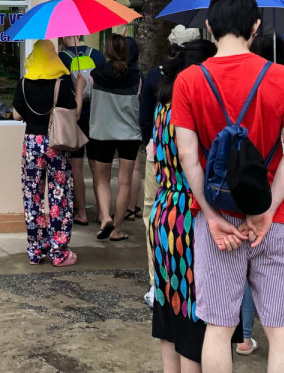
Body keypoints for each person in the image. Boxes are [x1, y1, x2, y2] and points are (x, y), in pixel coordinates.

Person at [171, 0, 284, 373]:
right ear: (255, 26)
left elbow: (187, 155)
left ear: (210, 26)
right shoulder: (282, 77)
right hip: (275, 219)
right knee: (280, 331)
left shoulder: (189, 80)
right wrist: (266, 211)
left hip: (219, 222)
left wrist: (212, 215)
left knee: (218, 327)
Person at [149, 37, 218, 371]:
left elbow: (156, 156)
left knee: (168, 305)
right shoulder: (193, 109)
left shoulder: (163, 107)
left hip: (163, 211)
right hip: (190, 215)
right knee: (193, 310)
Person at [232, 32, 284, 356]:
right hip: (277, 202)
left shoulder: (238, 89)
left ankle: (243, 335)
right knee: (277, 301)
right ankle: (260, 332)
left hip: (236, 194)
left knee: (239, 270)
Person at [140, 25, 202, 307]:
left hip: (159, 156)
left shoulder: (157, 76)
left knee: (152, 213)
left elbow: (144, 118)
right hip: (193, 167)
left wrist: (151, 144)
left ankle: (157, 281)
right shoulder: (204, 80)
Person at [12, 39, 82, 267]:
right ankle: (58, 252)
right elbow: (74, 115)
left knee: (32, 195)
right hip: (55, 144)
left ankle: (35, 249)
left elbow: (16, 115)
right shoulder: (61, 84)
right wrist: (79, 89)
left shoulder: (23, 82)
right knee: (59, 196)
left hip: (32, 144)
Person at [88, 33, 143, 242]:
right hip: (129, 134)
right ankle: (117, 229)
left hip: (102, 133)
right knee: (125, 183)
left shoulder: (95, 75)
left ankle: (105, 219)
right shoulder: (137, 78)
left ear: (107, 51)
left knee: (102, 179)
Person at [59, 35, 106, 226]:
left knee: (76, 166)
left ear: (64, 36)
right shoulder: (97, 56)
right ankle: (103, 213)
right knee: (97, 167)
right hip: (95, 116)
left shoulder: (61, 58)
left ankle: (81, 213)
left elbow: (61, 90)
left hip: (74, 116)